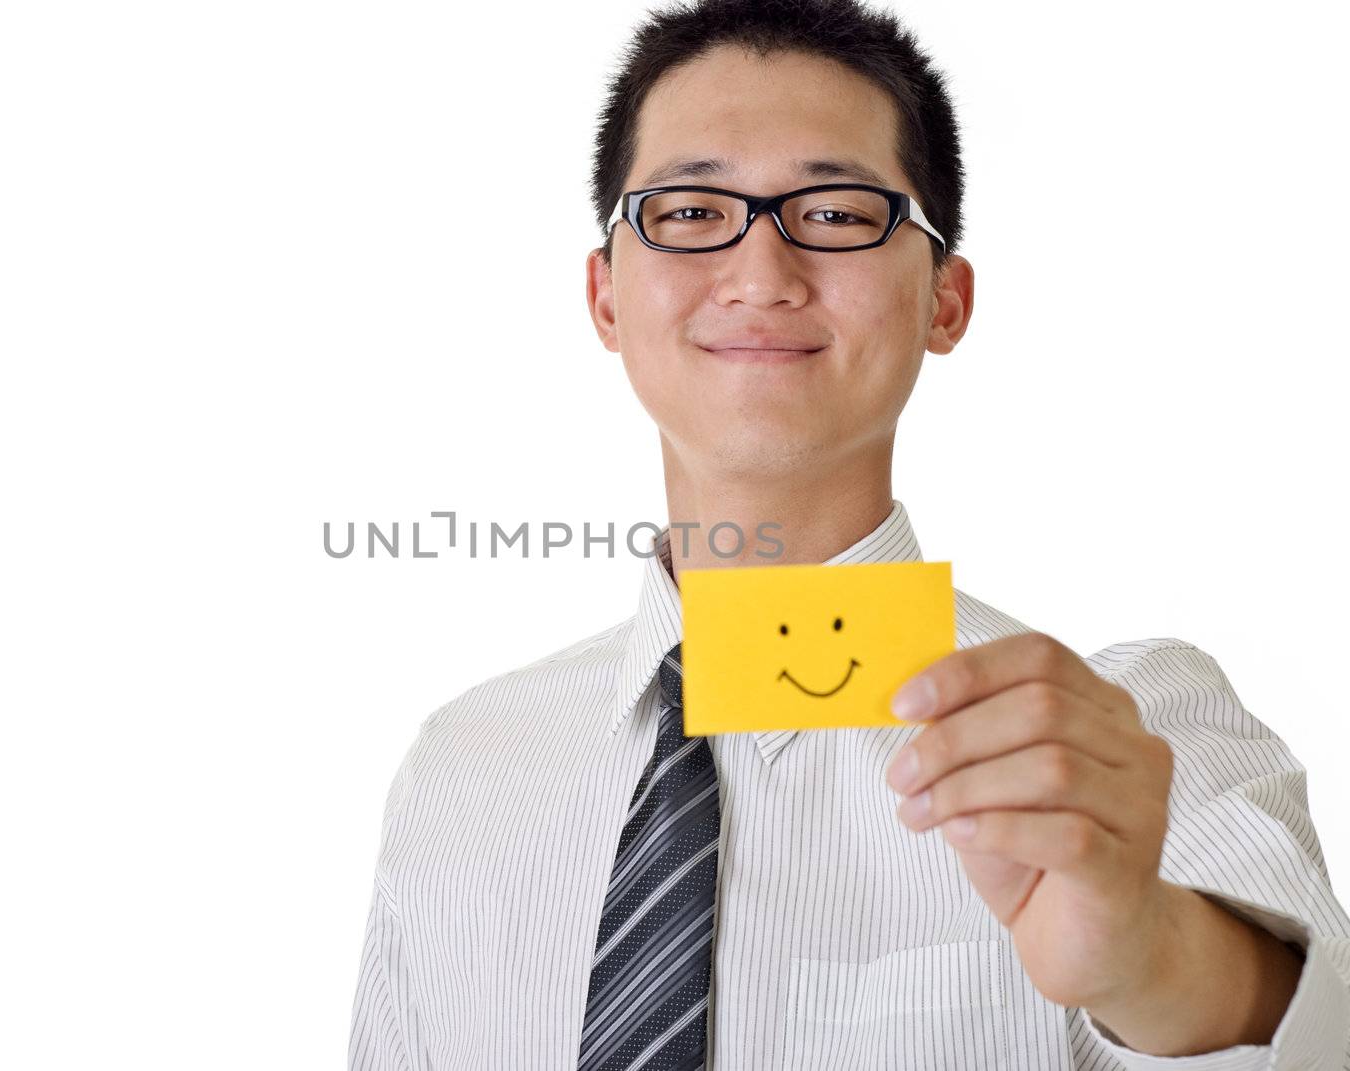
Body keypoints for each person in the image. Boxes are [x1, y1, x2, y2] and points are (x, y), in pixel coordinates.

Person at [347, 0, 1350, 1067]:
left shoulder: (1116, 734)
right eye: (688, 212)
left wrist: (1149, 957)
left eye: (834, 214)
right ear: (605, 297)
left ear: (943, 301)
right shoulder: (462, 768)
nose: (760, 274)